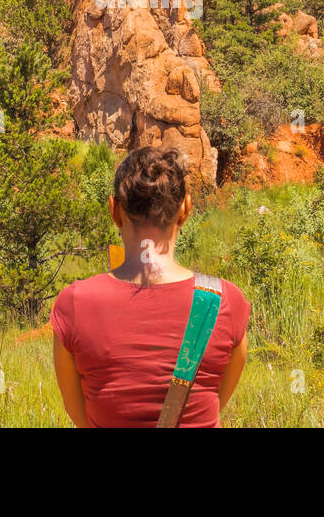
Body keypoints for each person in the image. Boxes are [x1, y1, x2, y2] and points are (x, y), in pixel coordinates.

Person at [51, 146, 250, 427]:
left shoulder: (74, 303)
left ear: (114, 210)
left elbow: (82, 417)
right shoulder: (225, 301)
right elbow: (218, 400)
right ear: (185, 209)